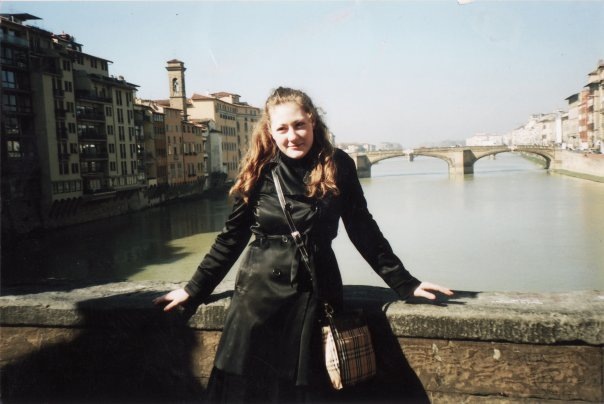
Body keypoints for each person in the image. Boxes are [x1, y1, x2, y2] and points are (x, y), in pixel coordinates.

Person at [154, 87, 453, 402]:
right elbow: (232, 237)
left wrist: (405, 283)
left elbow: (362, 228)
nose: (292, 136)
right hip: (257, 302)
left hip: (316, 294)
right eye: (282, 128)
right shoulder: (259, 169)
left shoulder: (337, 164)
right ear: (270, 131)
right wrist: (194, 289)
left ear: (313, 122)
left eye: (299, 125)